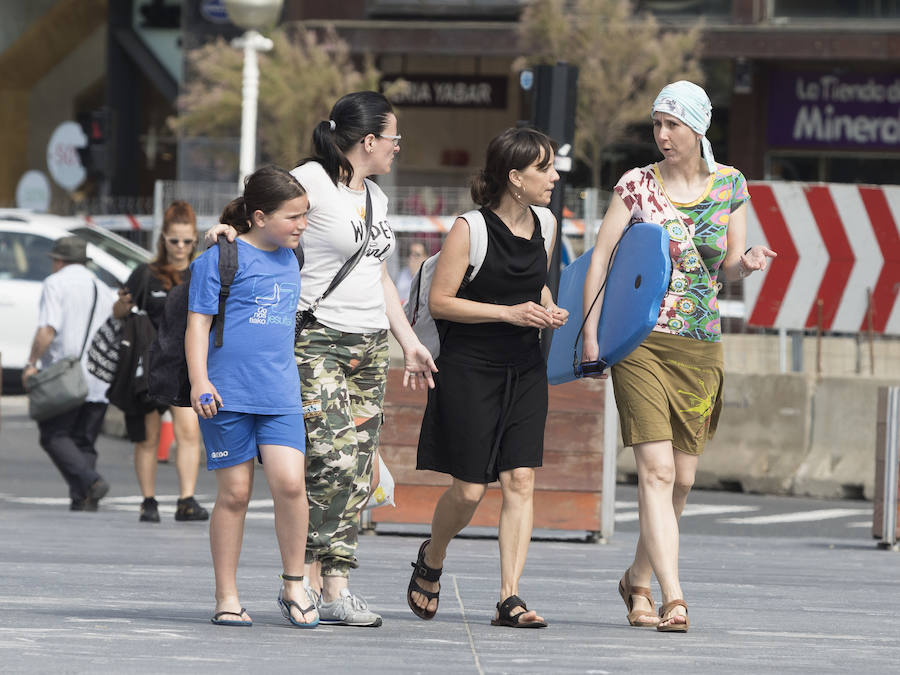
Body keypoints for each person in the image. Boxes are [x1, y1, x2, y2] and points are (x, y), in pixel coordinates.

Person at [207, 91, 437, 628]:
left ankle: (337, 584)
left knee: (356, 470)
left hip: (370, 343)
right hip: (316, 339)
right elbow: (257, 213)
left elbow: (376, 273)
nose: (399, 147)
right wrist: (226, 236)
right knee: (328, 461)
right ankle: (304, 577)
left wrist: (408, 340)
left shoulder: (376, 198)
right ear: (369, 140)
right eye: (394, 138)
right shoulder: (310, 179)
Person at [580, 81, 776, 632]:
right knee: (657, 471)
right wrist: (592, 332)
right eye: (657, 125)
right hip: (641, 341)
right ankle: (674, 598)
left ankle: (635, 581)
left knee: (683, 480)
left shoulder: (731, 184)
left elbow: (729, 264)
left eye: (674, 125)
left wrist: (749, 263)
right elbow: (599, 261)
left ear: (698, 129)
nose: (663, 135)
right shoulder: (635, 186)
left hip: (701, 345)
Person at [407, 127, 568, 628]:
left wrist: (548, 307)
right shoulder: (469, 228)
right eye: (544, 168)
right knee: (470, 490)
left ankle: (510, 597)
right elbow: (441, 302)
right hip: (469, 367)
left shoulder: (546, 222)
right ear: (515, 178)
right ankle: (432, 556)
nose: (555, 176)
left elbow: (534, 282)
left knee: (520, 478)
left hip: (524, 366)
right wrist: (509, 314)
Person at [186, 165, 317, 628]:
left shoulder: (292, 255)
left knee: (290, 485)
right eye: (293, 216)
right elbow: (197, 324)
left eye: (305, 214)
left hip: (280, 393)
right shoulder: (219, 258)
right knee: (236, 494)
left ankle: (294, 584)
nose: (302, 224)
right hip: (226, 395)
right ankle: (227, 595)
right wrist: (200, 380)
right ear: (259, 216)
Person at [112, 201, 208, 524]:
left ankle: (186, 499)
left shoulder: (201, 271)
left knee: (189, 433)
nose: (180, 247)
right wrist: (122, 306)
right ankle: (148, 501)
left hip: (183, 366)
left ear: (195, 239)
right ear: (163, 239)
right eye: (174, 240)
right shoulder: (145, 274)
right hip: (149, 366)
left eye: (187, 240)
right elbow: (119, 312)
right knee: (148, 437)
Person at [22, 236, 115, 511]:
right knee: (84, 440)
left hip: (65, 377)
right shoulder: (101, 287)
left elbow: (47, 329)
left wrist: (31, 363)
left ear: (59, 261)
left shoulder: (56, 283)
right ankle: (84, 499)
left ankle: (91, 481)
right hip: (98, 377)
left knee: (53, 435)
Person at [394, 239, 429, 304]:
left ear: (426, 258)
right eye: (410, 254)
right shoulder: (402, 274)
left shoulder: (430, 278)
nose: (412, 258)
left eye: (417, 255)